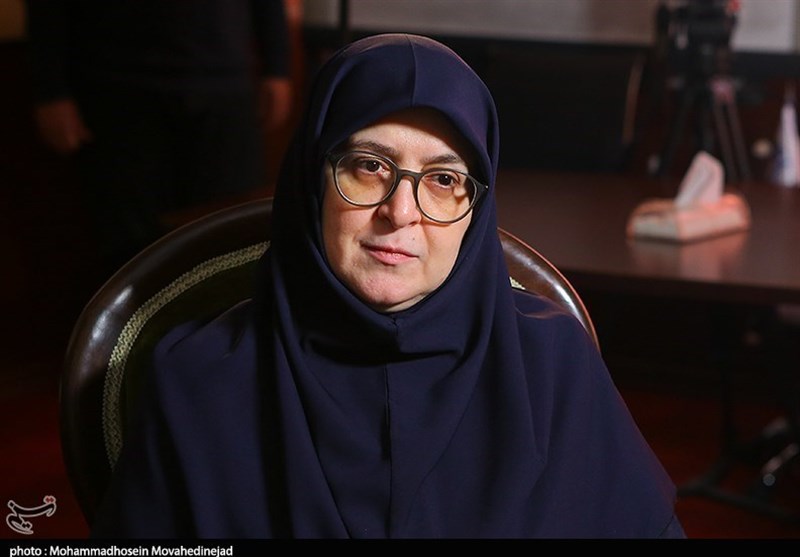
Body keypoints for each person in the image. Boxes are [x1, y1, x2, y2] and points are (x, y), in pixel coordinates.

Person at [91, 33, 686, 538]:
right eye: (370, 166)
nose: (401, 212)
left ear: (477, 210)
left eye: (444, 179)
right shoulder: (198, 381)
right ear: (312, 180)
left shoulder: (553, 368)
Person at [25, 0, 293, 277]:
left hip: (223, 84)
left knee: (232, 239)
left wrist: (277, 67)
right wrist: (50, 90)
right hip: (116, 91)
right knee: (131, 249)